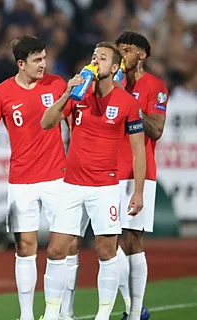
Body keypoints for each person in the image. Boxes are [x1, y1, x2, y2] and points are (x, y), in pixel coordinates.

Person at [0, 35, 72, 320]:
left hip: (58, 178)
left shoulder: (58, 85)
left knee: (64, 247)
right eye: (37, 60)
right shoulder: (2, 93)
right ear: (21, 64)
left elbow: (75, 125)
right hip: (21, 180)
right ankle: (26, 315)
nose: (43, 65)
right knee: (25, 247)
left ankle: (57, 313)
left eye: (44, 58)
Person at [39, 41, 146, 320]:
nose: (96, 61)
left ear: (114, 67)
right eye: (94, 56)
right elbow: (46, 122)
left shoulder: (127, 103)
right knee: (56, 249)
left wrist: (138, 192)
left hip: (105, 188)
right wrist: (66, 93)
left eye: (103, 58)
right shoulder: (78, 94)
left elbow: (138, 152)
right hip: (72, 185)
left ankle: (102, 315)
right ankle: (52, 314)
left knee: (105, 251)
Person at [115, 31, 167, 320]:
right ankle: (133, 306)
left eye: (127, 50)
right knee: (106, 241)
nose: (122, 55)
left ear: (142, 55)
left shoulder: (155, 86)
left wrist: (125, 100)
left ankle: (134, 312)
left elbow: (157, 129)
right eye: (119, 50)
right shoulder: (110, 85)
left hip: (139, 172)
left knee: (133, 240)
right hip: (108, 171)